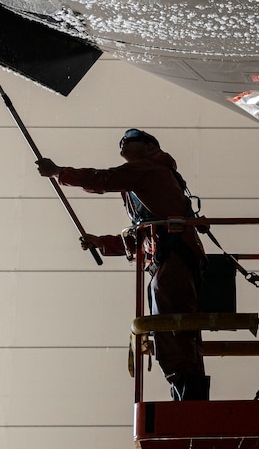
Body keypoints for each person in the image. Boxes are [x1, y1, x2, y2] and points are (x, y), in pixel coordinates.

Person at [36, 129, 209, 401]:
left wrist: (60, 172)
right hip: (169, 256)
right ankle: (187, 395)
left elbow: (104, 179)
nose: (122, 144)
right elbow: (142, 237)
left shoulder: (149, 169)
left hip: (174, 257)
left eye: (130, 139)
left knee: (171, 327)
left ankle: (188, 396)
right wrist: (103, 243)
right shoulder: (144, 182)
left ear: (150, 146)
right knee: (175, 329)